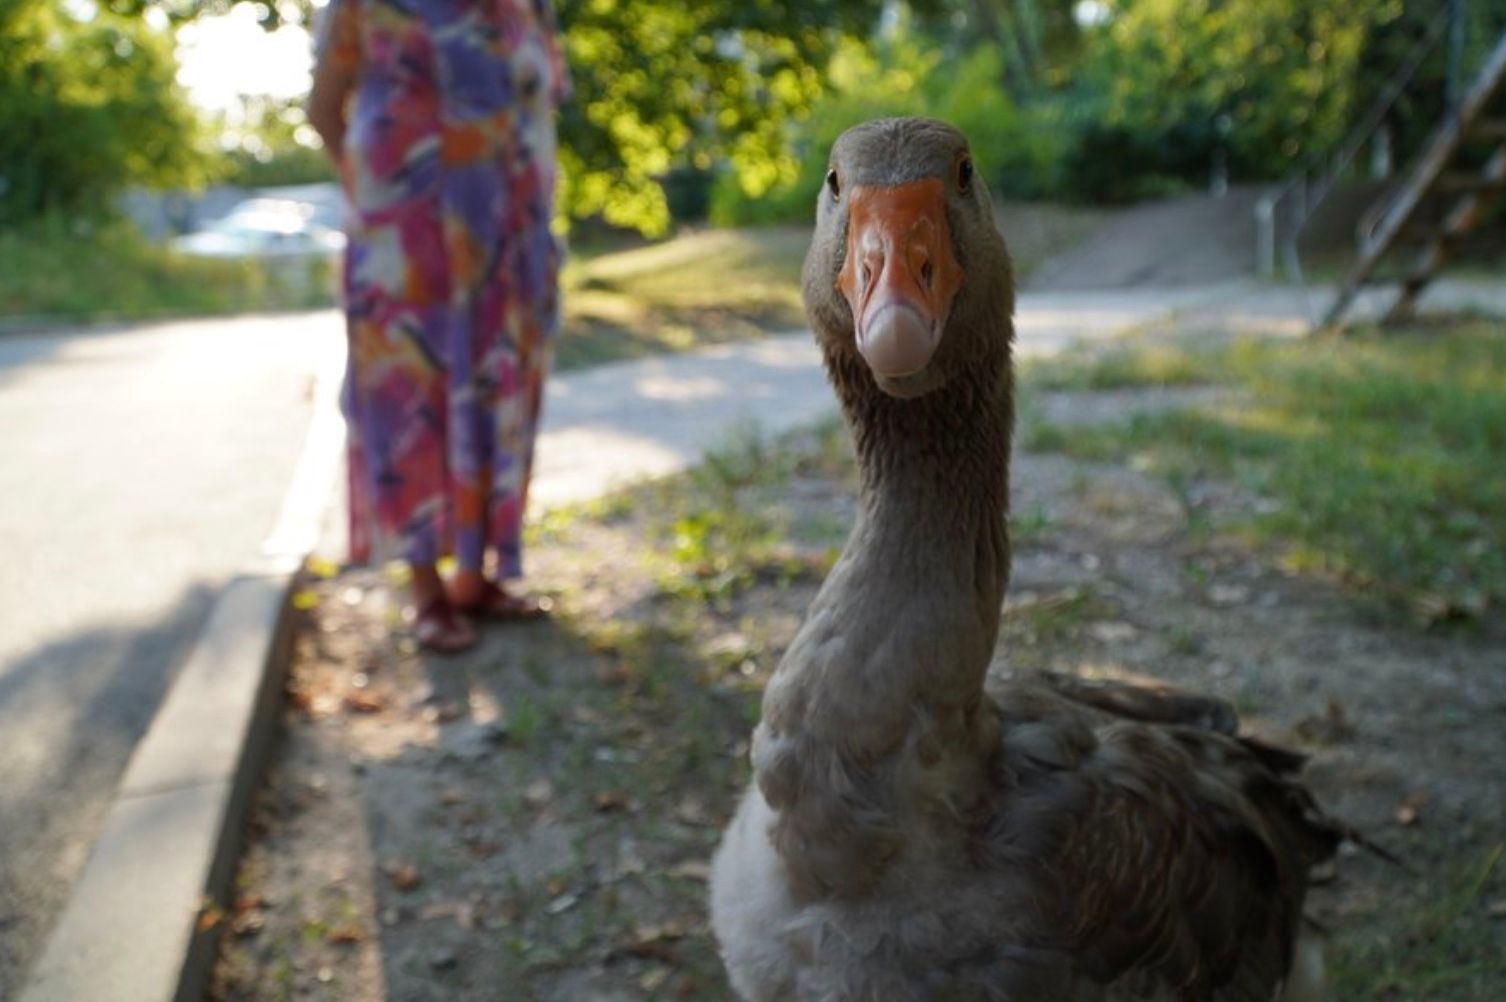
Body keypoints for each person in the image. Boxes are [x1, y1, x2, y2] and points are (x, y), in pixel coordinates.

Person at [306, 0, 570, 652]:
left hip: (510, 243)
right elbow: (323, 109)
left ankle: (477, 578)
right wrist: (378, 188)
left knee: (500, 392)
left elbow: (540, 103)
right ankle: (427, 589)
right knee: (410, 404)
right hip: (405, 244)